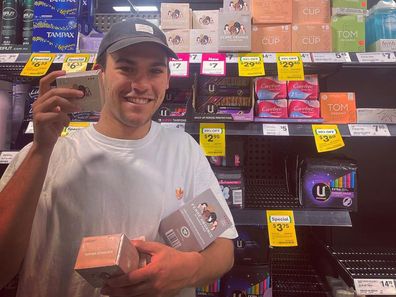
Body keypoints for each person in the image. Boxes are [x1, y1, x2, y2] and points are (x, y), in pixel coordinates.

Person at [0, 17, 238, 297]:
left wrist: (191, 269)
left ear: (168, 79)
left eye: (155, 71)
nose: (141, 84)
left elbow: (223, 247)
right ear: (100, 73)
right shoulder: (48, 154)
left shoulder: (183, 150)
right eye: (126, 68)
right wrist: (41, 148)